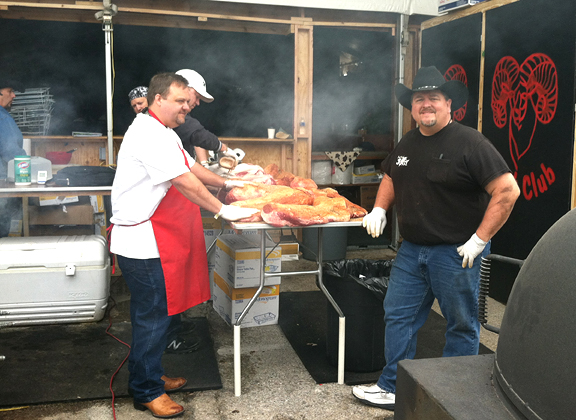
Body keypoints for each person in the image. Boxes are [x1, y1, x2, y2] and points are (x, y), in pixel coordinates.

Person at [352, 66, 520, 410]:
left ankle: (456, 393)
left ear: (448, 104)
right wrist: (380, 209)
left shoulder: (471, 143)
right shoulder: (407, 143)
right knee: (397, 315)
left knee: (461, 324)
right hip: (412, 251)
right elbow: (390, 175)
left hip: (457, 253)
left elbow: (507, 190)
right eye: (419, 100)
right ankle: (392, 386)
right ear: (411, 107)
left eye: (433, 98)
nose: (425, 105)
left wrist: (479, 239)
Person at [110, 72, 258, 418]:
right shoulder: (147, 134)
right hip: (143, 241)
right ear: (157, 99)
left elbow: (190, 165)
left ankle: (149, 375)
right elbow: (184, 182)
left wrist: (225, 184)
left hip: (153, 240)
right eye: (180, 102)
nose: (186, 109)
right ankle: (146, 390)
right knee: (152, 316)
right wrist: (224, 208)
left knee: (155, 314)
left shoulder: (163, 131)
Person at [174, 69, 232, 165]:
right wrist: (221, 147)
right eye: (197, 96)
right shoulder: (173, 117)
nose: (198, 103)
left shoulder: (182, 116)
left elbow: (194, 136)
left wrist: (204, 164)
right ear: (182, 89)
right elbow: (196, 134)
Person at [0, 79, 26, 238]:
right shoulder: (2, 118)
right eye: (10, 91)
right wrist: (27, 175)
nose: (14, 95)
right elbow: (11, 152)